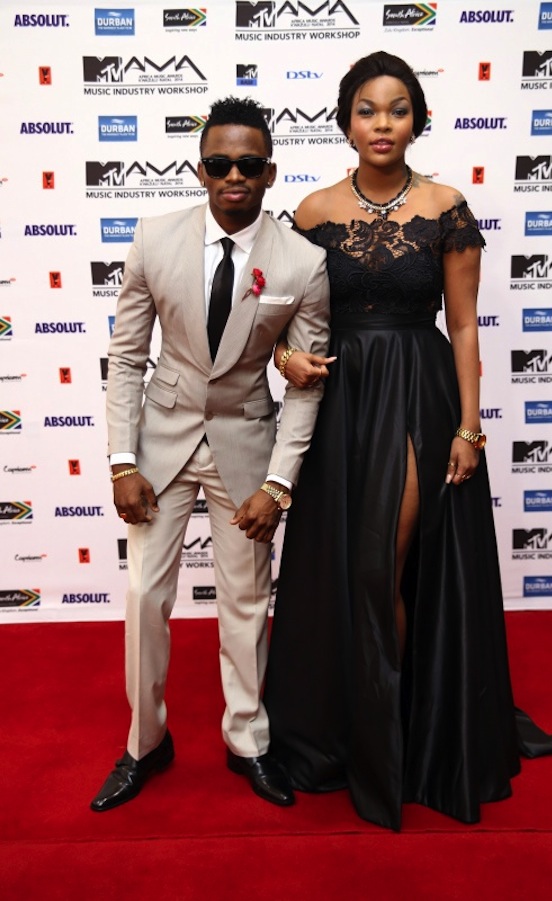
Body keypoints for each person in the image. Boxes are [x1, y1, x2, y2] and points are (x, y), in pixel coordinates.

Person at [264, 51, 552, 831]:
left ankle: (396, 724)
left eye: (398, 109)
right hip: (340, 402)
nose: (382, 123)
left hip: (417, 394)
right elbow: (282, 323)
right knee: (345, 567)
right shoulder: (314, 211)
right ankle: (361, 718)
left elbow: (462, 325)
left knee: (383, 562)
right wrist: (284, 357)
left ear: (418, 120)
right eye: (367, 109)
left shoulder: (446, 206)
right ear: (345, 122)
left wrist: (468, 424)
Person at [90, 96, 330, 812]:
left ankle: (247, 740)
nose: (233, 176)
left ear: (269, 172)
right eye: (219, 163)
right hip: (159, 445)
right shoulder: (154, 238)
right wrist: (122, 460)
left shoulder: (303, 261)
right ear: (200, 169)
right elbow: (126, 358)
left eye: (248, 165)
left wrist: (279, 483)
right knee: (143, 598)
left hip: (247, 444)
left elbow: (308, 385)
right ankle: (145, 743)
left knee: (247, 604)